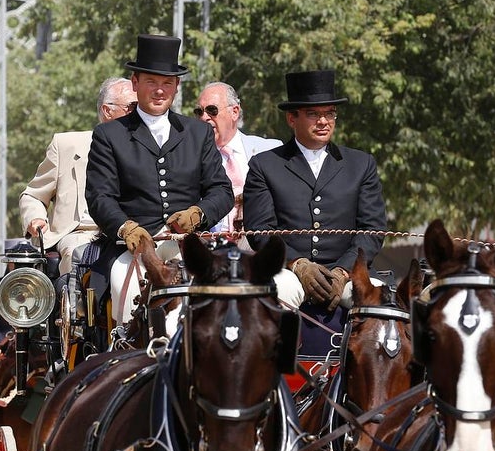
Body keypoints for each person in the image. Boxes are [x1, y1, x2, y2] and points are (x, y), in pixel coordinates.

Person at [84, 33, 233, 326]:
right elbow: (99, 196)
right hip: (134, 248)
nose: (159, 90)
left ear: (176, 87)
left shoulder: (197, 133)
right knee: (121, 287)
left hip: (188, 244)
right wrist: (125, 227)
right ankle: (128, 353)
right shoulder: (109, 136)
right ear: (136, 83)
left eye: (167, 83)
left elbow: (221, 190)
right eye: (152, 82)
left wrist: (199, 213)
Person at [241, 69, 387, 311]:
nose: (323, 121)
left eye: (330, 114)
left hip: (348, 272)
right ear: (291, 118)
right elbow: (260, 232)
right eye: (313, 114)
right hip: (289, 271)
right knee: (278, 292)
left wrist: (343, 271)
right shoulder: (264, 165)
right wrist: (298, 264)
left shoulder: (361, 164)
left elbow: (372, 229)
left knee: (381, 304)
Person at [20, 77, 138, 274]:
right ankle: (79, 306)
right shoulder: (66, 145)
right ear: (107, 110)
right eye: (132, 106)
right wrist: (36, 218)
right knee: (80, 254)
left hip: (134, 231)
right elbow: (33, 195)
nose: (139, 114)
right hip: (82, 234)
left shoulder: (149, 148)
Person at [193, 81, 283, 238]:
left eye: (212, 110)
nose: (204, 117)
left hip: (260, 249)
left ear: (234, 112)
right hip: (210, 252)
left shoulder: (271, 150)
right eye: (199, 112)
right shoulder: (190, 158)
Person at [0, 242, 35, 346]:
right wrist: (1, 345)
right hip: (4, 348)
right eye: (16, 263)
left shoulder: (42, 291)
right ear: (9, 264)